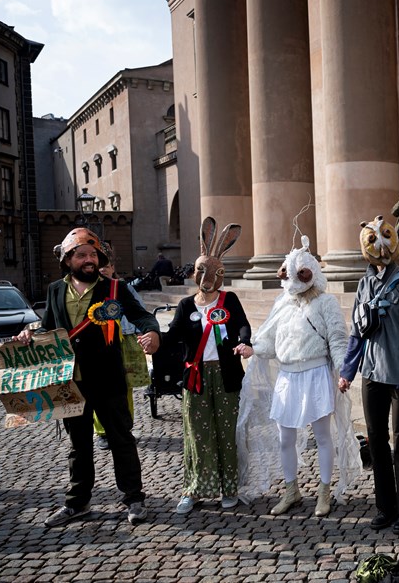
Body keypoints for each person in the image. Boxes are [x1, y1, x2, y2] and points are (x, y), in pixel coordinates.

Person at [15, 227, 161, 527]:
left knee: (121, 441)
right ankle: (76, 503)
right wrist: (31, 333)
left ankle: (134, 499)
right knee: (78, 445)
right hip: (70, 382)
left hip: (108, 380)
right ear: (68, 260)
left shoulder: (114, 290)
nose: (89, 259)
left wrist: (152, 332)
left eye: (93, 254)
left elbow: (141, 316)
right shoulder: (55, 290)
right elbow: (51, 327)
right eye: (81, 255)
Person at [236, 235, 360, 516]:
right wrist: (252, 349)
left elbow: (338, 340)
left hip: (315, 373)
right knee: (285, 438)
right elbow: (270, 341)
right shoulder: (283, 303)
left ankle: (324, 491)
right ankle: (291, 490)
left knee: (323, 436)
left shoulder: (326, 303)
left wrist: (343, 370)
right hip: (288, 377)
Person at [338, 215, 399, 535]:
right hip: (372, 376)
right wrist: (348, 371)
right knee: (376, 441)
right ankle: (385, 506)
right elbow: (356, 333)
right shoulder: (364, 284)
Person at [164, 217, 251, 515]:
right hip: (197, 376)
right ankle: (195, 489)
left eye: (214, 272)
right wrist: (153, 340)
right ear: (195, 273)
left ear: (221, 274)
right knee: (197, 433)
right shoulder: (187, 305)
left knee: (227, 431)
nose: (208, 277)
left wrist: (244, 343)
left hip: (226, 374)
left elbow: (242, 326)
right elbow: (173, 335)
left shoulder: (229, 300)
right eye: (202, 270)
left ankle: (229, 488)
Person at [92, 249, 149, 450]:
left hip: (124, 340)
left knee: (125, 388)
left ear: (113, 268)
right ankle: (102, 432)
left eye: (106, 267)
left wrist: (145, 332)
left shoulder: (123, 288)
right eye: (100, 268)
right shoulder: (90, 290)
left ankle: (125, 427)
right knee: (99, 388)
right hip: (99, 345)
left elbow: (140, 312)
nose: (103, 271)